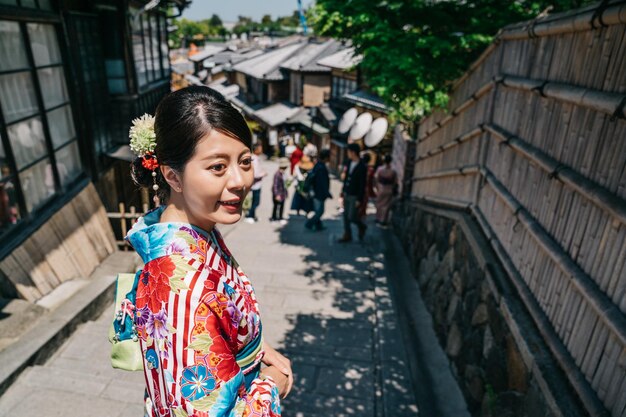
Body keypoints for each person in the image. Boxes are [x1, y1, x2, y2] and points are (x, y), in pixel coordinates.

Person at [125, 86, 291, 417]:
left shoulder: (195, 231)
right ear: (172, 176)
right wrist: (271, 382)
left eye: (244, 161)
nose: (239, 180)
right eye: (217, 167)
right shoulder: (183, 287)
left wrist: (255, 350)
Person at [338, 143, 367, 243]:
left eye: (349, 152)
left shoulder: (362, 166)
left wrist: (360, 198)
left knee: (352, 216)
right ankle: (347, 234)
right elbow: (346, 178)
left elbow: (362, 184)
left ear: (353, 152)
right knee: (345, 215)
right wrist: (342, 190)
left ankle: (361, 226)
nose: (348, 154)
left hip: (355, 194)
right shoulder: (349, 162)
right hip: (347, 191)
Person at [305, 148, 332, 232]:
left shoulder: (318, 165)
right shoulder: (321, 167)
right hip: (318, 193)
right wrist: (327, 193)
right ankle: (309, 223)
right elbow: (322, 183)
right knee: (320, 211)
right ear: (326, 158)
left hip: (316, 192)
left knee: (318, 210)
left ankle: (318, 225)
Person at [245, 142, 267, 223]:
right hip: (255, 185)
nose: (261, 150)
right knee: (255, 201)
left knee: (255, 201)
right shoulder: (254, 159)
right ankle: (250, 216)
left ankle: (253, 216)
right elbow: (255, 174)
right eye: (260, 148)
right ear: (256, 149)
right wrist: (264, 174)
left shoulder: (256, 158)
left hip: (257, 184)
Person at [374, 154, 398, 226]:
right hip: (389, 189)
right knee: (386, 205)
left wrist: (376, 187)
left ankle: (378, 218)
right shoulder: (393, 171)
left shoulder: (380, 169)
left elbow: (376, 178)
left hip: (381, 188)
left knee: (379, 204)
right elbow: (395, 181)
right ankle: (383, 219)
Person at [357, 152, 375, 220]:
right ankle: (362, 215)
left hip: (358, 187)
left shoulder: (358, 167)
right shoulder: (370, 169)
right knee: (364, 202)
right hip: (366, 188)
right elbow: (371, 182)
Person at [271, 157, 289, 224]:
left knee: (282, 205)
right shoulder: (277, 174)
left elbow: (285, 183)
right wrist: (276, 194)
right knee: (276, 206)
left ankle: (280, 217)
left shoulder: (283, 173)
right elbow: (275, 185)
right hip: (278, 193)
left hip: (283, 192)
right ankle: (274, 218)